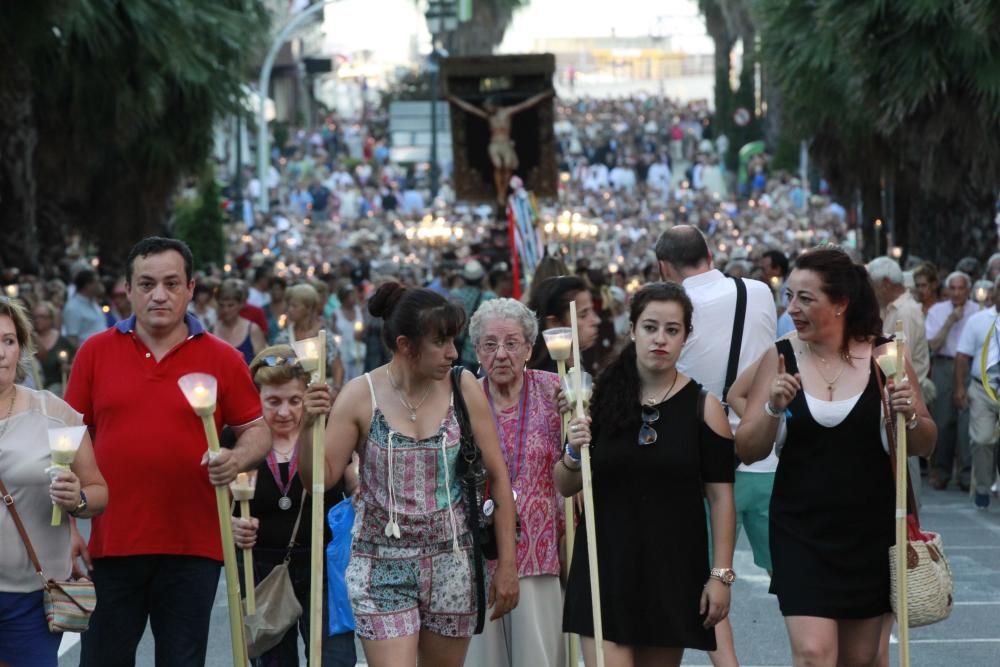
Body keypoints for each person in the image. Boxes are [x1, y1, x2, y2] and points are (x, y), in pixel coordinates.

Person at [65, 237, 272, 666]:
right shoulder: (94, 353)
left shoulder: (223, 358)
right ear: (127, 288)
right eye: (146, 283)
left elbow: (258, 430)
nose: (159, 294)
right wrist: (67, 528)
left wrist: (235, 459)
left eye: (171, 283)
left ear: (190, 288)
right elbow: (66, 443)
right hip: (113, 543)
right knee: (103, 660)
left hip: (194, 545)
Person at [297, 282, 519, 667]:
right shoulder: (360, 394)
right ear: (405, 345)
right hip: (381, 563)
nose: (453, 352)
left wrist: (508, 567)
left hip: (453, 561)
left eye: (454, 340)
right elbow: (319, 478)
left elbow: (497, 477)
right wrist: (306, 425)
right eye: (441, 342)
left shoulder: (462, 386)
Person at [736, 247, 936, 667]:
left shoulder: (887, 356)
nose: (792, 309)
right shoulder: (781, 356)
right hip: (800, 529)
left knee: (861, 658)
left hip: (870, 530)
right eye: (789, 297)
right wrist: (773, 407)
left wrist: (909, 416)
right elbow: (748, 448)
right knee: (813, 654)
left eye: (805, 299)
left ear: (841, 303)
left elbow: (926, 444)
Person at [558, 282, 737, 667]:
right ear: (632, 330)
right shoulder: (597, 399)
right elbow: (566, 483)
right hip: (604, 564)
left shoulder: (705, 408)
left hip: (670, 570)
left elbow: (722, 498)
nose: (660, 339)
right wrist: (573, 450)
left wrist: (721, 576)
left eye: (672, 330)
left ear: (686, 337)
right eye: (651, 327)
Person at [656, 224, 777, 667]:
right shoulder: (760, 292)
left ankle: (728, 665)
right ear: (710, 253)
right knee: (792, 571)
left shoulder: (672, 314)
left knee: (709, 576)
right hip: (766, 451)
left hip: (704, 462)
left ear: (663, 267)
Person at [230, 345, 357, 667]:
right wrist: (229, 526)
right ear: (256, 400)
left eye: (294, 401)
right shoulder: (237, 442)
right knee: (273, 662)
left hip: (325, 570)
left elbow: (355, 482)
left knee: (335, 660)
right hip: (261, 571)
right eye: (273, 402)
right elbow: (210, 506)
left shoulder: (328, 435)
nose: (284, 412)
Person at [0, 296, 108, 667]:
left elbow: (98, 491)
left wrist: (76, 499)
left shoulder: (54, 414)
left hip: (30, 596)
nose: (1, 352)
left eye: (8, 341)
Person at [464, 299, 565, 667]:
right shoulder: (464, 400)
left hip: (541, 552)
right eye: (490, 345)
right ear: (477, 350)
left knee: (538, 658)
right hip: (480, 555)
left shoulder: (557, 393)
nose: (501, 354)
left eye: (512, 343)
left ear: (529, 348)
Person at [445, 90, 554, 203]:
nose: (487, 110)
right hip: (495, 144)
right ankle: (500, 192)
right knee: (498, 165)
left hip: (506, 144)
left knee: (507, 167)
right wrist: (454, 99)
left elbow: (526, 104)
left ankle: (503, 190)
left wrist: (543, 95)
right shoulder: (488, 116)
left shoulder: (506, 112)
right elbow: (470, 108)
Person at [926, 271, 979, 491]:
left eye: (961, 288)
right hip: (944, 364)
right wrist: (950, 321)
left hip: (969, 364)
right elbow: (933, 345)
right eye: (953, 288)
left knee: (967, 421)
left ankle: (966, 474)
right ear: (948, 290)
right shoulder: (937, 311)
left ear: (968, 290)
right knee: (943, 419)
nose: (957, 293)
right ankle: (941, 471)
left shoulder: (978, 311)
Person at [954, 276, 1000, 510]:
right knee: (982, 440)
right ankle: (982, 487)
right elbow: (962, 355)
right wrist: (960, 387)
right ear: (995, 293)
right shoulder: (978, 320)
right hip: (982, 389)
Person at [275, 283, 345, 397]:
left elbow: (338, 367)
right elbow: (277, 368)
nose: (289, 310)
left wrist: (336, 391)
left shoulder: (323, 334)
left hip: (322, 396)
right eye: (289, 305)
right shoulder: (284, 337)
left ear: (309, 308)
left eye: (294, 306)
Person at [526, 276, 601, 373]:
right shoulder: (548, 380)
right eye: (583, 315)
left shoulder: (584, 358)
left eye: (592, 310)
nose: (596, 320)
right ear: (554, 323)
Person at [451, 260, 496, 371]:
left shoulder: (455, 295)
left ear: (464, 278)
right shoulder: (489, 296)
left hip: (462, 351)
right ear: (481, 279)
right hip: (483, 352)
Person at [212, 279, 268, 365]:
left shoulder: (253, 330)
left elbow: (262, 366)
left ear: (241, 305)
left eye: (231, 305)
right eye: (221, 305)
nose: (225, 310)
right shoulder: (212, 330)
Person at [30, 301, 75, 392]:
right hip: (34, 388)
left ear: (51, 318)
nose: (38, 320)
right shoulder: (29, 340)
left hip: (58, 388)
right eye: (35, 317)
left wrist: (68, 368)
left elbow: (76, 365)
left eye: (42, 317)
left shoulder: (62, 341)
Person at [62, 270, 107, 347]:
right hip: (88, 355)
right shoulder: (73, 307)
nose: (100, 285)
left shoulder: (94, 303)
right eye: (97, 282)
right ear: (87, 285)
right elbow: (72, 339)